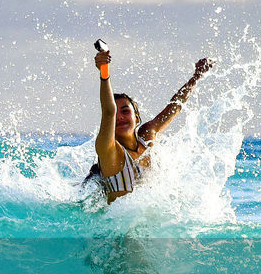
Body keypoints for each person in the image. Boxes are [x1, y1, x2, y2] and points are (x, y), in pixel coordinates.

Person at [87, 46, 214, 203]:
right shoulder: (109, 151)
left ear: (137, 117)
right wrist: (104, 73)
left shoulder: (146, 136)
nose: (119, 117)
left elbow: (175, 106)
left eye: (125, 111)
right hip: (119, 225)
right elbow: (108, 112)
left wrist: (196, 77)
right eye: (116, 114)